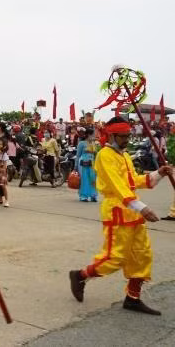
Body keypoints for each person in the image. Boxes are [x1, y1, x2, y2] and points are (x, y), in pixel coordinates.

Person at [69, 117, 173, 316]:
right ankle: (80, 276)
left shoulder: (124, 156)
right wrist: (142, 207)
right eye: (123, 136)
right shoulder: (105, 156)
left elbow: (132, 181)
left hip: (132, 212)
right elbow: (118, 187)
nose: (127, 139)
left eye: (128, 135)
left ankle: (132, 298)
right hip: (117, 212)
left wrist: (158, 174)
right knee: (115, 258)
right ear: (112, 135)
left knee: (142, 255)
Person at [76, 128, 98, 202]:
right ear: (89, 135)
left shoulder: (94, 143)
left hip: (92, 163)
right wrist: (75, 166)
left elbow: (96, 154)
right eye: (93, 134)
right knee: (85, 179)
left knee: (93, 179)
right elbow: (78, 155)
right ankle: (83, 196)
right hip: (83, 163)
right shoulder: (81, 143)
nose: (94, 136)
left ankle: (93, 195)